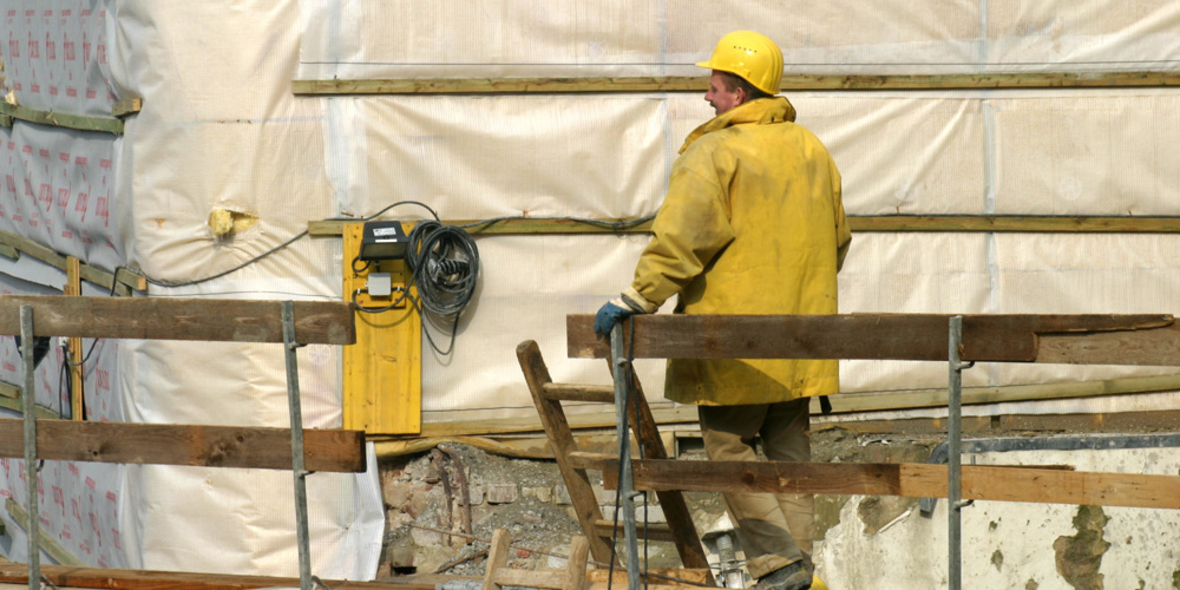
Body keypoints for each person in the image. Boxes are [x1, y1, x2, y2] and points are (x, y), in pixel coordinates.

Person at [593, 30, 851, 590]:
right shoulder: (813, 149)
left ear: (737, 92)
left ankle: (780, 564)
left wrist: (636, 298)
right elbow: (838, 240)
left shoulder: (715, 152)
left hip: (736, 347)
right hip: (803, 340)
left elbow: (682, 239)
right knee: (790, 458)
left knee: (728, 447)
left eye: (713, 87)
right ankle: (800, 571)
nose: (706, 98)